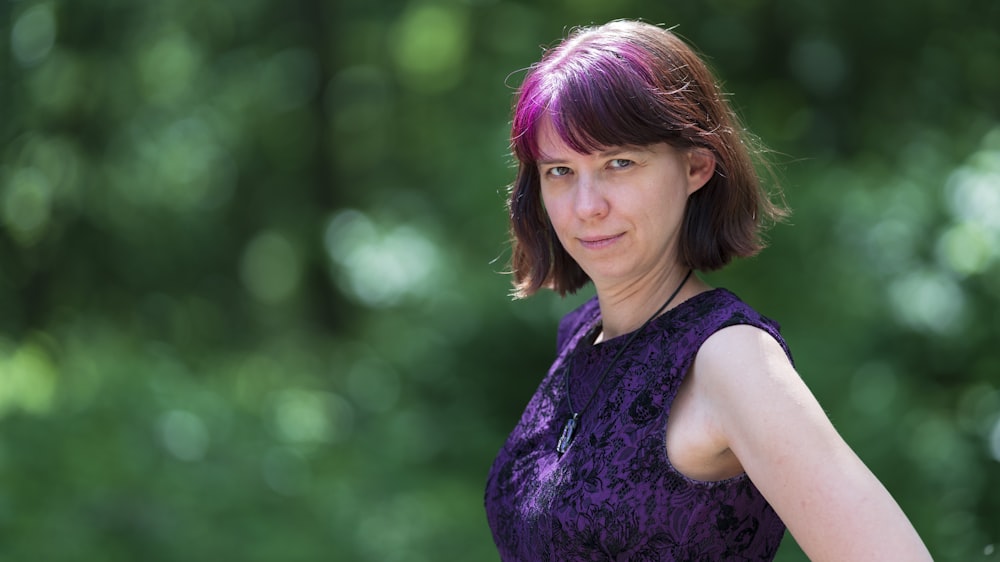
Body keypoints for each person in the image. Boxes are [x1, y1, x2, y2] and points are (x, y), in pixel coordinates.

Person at [483, 19, 932, 561]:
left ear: (695, 165)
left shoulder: (730, 358)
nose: (586, 206)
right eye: (559, 171)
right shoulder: (581, 337)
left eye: (618, 163)